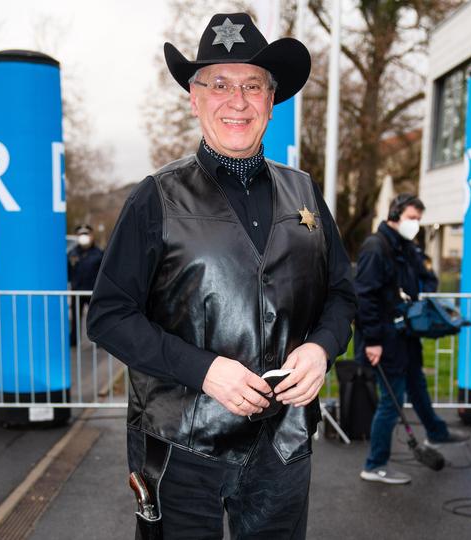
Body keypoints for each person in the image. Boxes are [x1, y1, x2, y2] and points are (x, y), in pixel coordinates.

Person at [86, 13, 356, 539]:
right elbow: (109, 316)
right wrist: (204, 369)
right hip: (183, 450)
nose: (238, 100)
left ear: (271, 102)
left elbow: (341, 294)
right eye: (220, 84)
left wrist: (322, 348)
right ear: (194, 97)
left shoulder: (305, 194)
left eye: (252, 85)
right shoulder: (156, 196)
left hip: (283, 445)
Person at [354, 193, 470, 485]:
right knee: (391, 402)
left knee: (417, 386)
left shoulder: (405, 247)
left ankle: (436, 432)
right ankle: (375, 464)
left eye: (419, 219)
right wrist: (373, 341)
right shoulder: (376, 247)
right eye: (411, 218)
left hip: (404, 334)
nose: (415, 224)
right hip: (384, 336)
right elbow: (364, 297)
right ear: (394, 214)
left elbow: (425, 276)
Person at [67, 224, 103, 345]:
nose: (83, 237)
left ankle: (100, 340)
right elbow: (68, 271)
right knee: (75, 318)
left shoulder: (98, 253)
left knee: (96, 317)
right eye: (81, 234)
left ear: (91, 236)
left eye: (86, 234)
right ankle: (73, 340)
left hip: (92, 291)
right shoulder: (72, 253)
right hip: (76, 290)